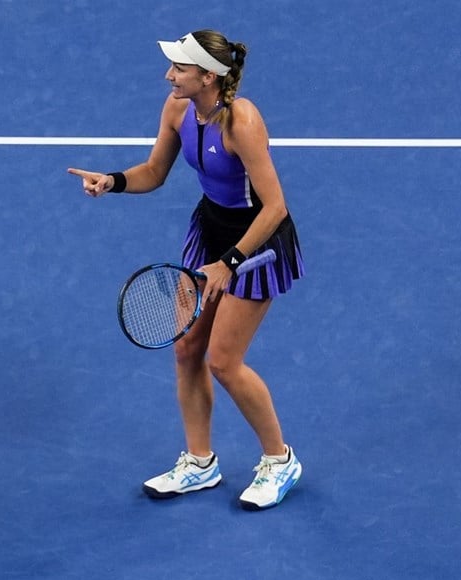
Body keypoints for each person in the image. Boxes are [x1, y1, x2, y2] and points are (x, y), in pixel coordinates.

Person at [68, 30, 305, 510]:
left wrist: (230, 263)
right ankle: (201, 463)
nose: (169, 75)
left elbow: (275, 205)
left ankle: (280, 461)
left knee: (223, 361)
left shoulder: (242, 122)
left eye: (179, 68)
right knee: (186, 349)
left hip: (255, 244)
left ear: (208, 76)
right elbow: (155, 171)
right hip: (211, 231)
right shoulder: (177, 109)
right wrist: (111, 182)